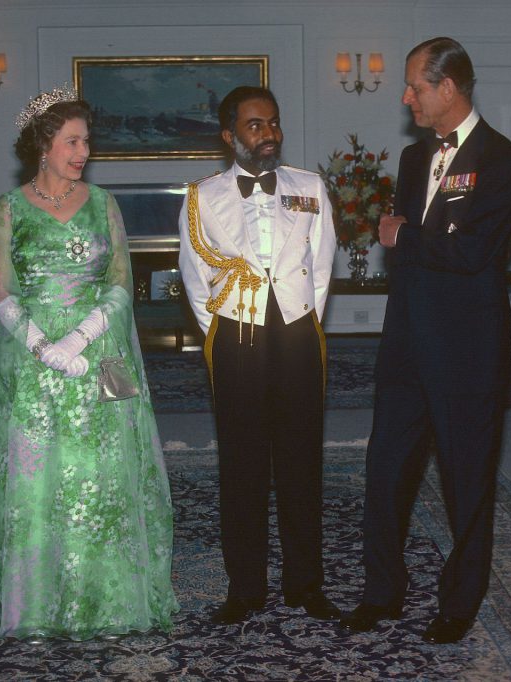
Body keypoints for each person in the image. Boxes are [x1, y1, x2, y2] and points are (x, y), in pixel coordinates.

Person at [0, 86, 178, 640]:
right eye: (73, 141)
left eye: (87, 142)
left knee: (104, 479)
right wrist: (41, 346)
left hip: (99, 358)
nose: (84, 152)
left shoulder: (104, 204)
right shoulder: (8, 209)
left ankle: (109, 603)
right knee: (36, 483)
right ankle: (34, 608)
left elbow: (122, 284)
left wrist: (78, 338)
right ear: (43, 144)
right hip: (33, 367)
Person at [339, 37, 511, 644]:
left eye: (416, 87)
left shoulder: (505, 161)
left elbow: (472, 252)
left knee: (466, 479)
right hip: (406, 340)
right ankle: (381, 593)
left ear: (448, 88)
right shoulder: (413, 157)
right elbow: (423, 253)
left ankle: (459, 603)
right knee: (384, 469)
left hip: (467, 347)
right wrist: (413, 247)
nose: (406, 98)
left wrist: (403, 236)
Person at [178, 86, 338, 625]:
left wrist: (301, 319)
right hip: (236, 334)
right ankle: (245, 589)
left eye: (273, 122)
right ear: (229, 136)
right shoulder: (203, 196)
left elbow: (322, 265)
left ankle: (305, 584)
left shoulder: (309, 187)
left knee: (301, 463)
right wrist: (225, 333)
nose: (269, 134)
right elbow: (195, 277)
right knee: (242, 465)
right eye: (255, 125)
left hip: (296, 332)